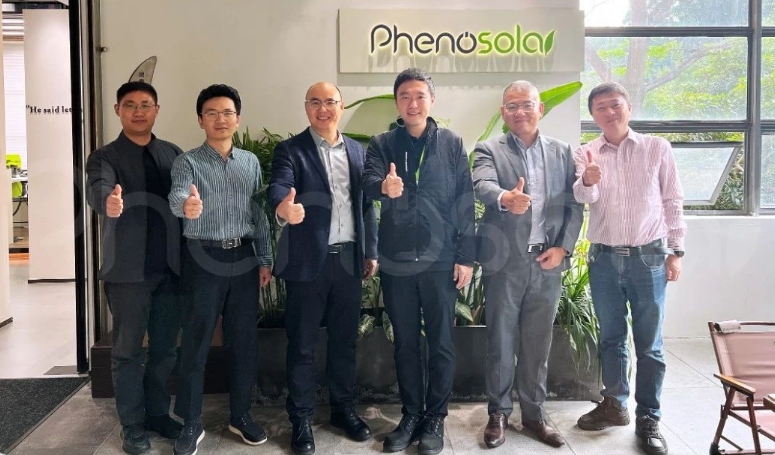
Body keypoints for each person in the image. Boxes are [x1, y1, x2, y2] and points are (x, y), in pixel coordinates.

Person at [363, 67, 476, 455]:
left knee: (441, 343)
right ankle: (411, 414)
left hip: (440, 261)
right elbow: (367, 183)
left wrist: (466, 257)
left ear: (432, 100)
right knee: (406, 344)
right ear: (397, 102)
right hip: (397, 262)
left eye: (419, 96)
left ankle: (435, 418)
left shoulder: (451, 143)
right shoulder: (382, 143)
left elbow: (465, 201)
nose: (412, 103)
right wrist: (384, 186)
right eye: (405, 96)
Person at [573, 82, 686, 455]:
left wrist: (676, 251)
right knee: (611, 338)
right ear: (593, 115)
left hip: (648, 257)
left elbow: (672, 199)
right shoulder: (586, 151)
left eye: (615, 104)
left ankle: (649, 417)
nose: (609, 112)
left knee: (650, 345)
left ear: (629, 107)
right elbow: (584, 197)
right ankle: (615, 404)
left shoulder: (656, 148)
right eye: (600, 107)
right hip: (603, 258)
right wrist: (587, 180)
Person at [268, 81, 379, 455]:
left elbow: (367, 205)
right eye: (315, 102)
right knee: (302, 344)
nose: (323, 109)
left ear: (341, 106)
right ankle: (300, 418)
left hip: (348, 261)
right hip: (306, 264)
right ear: (306, 108)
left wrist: (370, 251)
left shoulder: (358, 151)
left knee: (344, 342)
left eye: (329, 101)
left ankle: (343, 410)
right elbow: (279, 185)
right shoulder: (291, 150)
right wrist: (284, 207)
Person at [473, 80, 583, 449]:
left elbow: (574, 204)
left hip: (547, 260)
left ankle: (534, 415)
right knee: (500, 341)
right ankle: (499, 414)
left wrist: (563, 249)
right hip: (506, 262)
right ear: (503, 113)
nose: (520, 111)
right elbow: (482, 184)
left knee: (538, 342)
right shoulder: (489, 149)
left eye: (526, 104)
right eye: (512, 106)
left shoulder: (562, 151)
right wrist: (506, 197)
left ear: (540, 108)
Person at [168, 84, 273, 455]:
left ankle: (240, 415)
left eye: (227, 112)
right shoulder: (188, 162)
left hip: (243, 258)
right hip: (202, 258)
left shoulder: (250, 162)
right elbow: (177, 195)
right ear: (200, 120)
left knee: (243, 341)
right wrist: (187, 206)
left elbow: (259, 213)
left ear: (237, 119)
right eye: (211, 113)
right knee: (196, 341)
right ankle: (190, 421)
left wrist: (265, 257)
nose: (220, 119)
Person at [85, 81, 183, 455]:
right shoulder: (104, 157)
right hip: (127, 273)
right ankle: (132, 424)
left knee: (165, 350)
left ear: (157, 109)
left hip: (170, 270)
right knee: (127, 352)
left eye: (145, 104)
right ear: (118, 110)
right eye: (130, 105)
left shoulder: (172, 153)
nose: (138, 111)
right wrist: (108, 203)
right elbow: (98, 189)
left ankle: (158, 414)